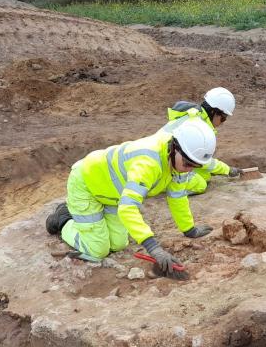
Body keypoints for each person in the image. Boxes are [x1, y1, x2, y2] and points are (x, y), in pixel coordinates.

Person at [45, 117, 217, 276]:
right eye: (187, 164)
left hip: (112, 195)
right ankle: (63, 219)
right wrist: (154, 248)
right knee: (97, 251)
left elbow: (178, 197)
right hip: (87, 185)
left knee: (118, 244)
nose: (189, 169)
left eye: (194, 166)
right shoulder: (148, 163)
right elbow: (128, 208)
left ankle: (87, 220)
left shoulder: (178, 161)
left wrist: (189, 230)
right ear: (175, 147)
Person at [162, 87, 242, 194]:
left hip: (168, 157)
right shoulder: (198, 127)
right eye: (223, 118)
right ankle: (164, 185)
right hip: (164, 164)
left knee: (204, 174)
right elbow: (204, 161)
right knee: (200, 184)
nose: (223, 122)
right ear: (214, 112)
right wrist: (227, 170)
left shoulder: (195, 116)